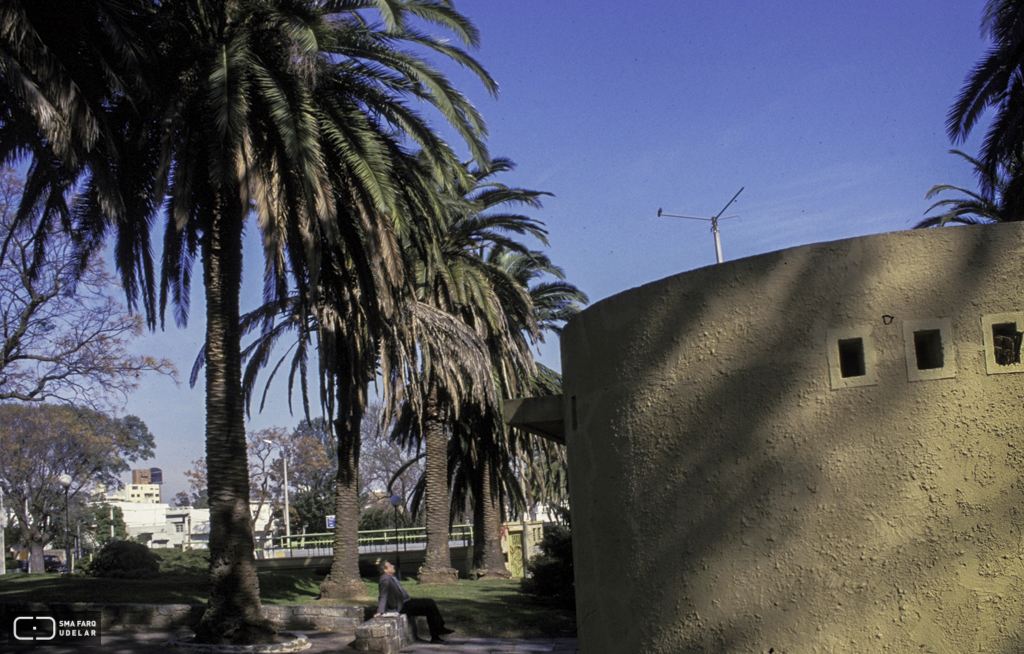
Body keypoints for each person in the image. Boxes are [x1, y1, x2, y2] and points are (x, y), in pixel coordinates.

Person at [374, 560, 455, 643]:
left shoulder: (390, 576)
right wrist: (380, 611)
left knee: (430, 603)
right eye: (390, 565)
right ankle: (437, 633)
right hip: (402, 606)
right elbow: (383, 595)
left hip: (407, 602)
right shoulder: (385, 579)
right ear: (385, 570)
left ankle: (438, 632)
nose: (393, 566)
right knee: (429, 604)